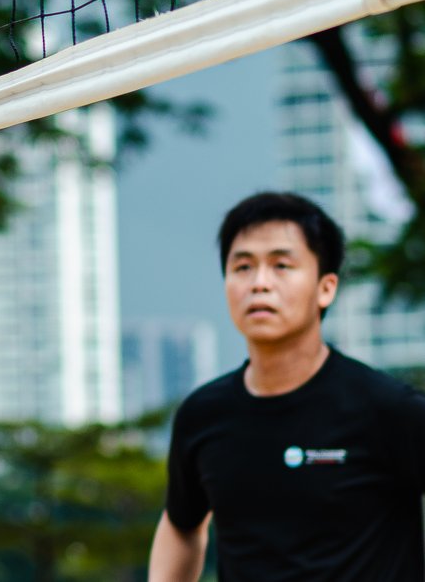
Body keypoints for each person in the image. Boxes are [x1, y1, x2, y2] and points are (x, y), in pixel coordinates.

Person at [147, 191, 425, 582]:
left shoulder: (390, 409)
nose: (259, 283)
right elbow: (182, 525)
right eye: (242, 267)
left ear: (325, 287)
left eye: (281, 265)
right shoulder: (203, 415)